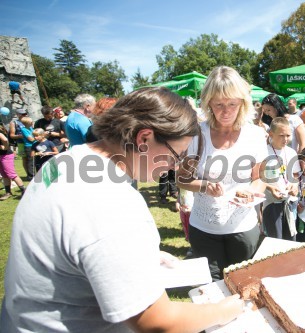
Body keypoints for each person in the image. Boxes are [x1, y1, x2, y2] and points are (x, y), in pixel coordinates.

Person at [1, 87, 245, 332]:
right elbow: (158, 323)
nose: (173, 167)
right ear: (144, 139)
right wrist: (222, 310)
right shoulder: (113, 203)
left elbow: (78, 242)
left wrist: (135, 254)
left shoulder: (66, 160)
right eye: (175, 155)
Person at [176, 66, 267, 281]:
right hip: (204, 229)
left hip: (244, 228)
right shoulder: (197, 135)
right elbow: (182, 178)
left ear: (242, 103)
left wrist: (250, 191)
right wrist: (205, 186)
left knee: (245, 285)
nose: (226, 111)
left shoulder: (254, 134)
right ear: (208, 103)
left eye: (232, 104)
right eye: (218, 104)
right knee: (212, 288)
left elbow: (260, 177)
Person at [260, 117, 300, 241]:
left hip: (290, 203)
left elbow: (295, 176)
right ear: (271, 134)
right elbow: (258, 178)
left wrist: (294, 185)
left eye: (288, 135)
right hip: (272, 204)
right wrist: (270, 188)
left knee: (291, 242)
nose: (286, 139)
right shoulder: (262, 152)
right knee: (275, 242)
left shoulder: (291, 152)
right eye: (281, 135)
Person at [0, 126, 25, 201]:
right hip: (1, 155)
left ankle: (24, 191)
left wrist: (5, 147)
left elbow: (4, 139)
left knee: (11, 174)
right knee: (4, 174)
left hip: (6, 155)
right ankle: (8, 192)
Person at [8, 109, 28, 174]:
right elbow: (12, 135)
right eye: (23, 114)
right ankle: (28, 174)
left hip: (30, 143)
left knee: (32, 158)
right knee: (24, 158)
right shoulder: (14, 123)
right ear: (18, 115)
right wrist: (21, 136)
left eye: (26, 114)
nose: (25, 115)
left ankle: (33, 174)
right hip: (21, 143)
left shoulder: (28, 121)